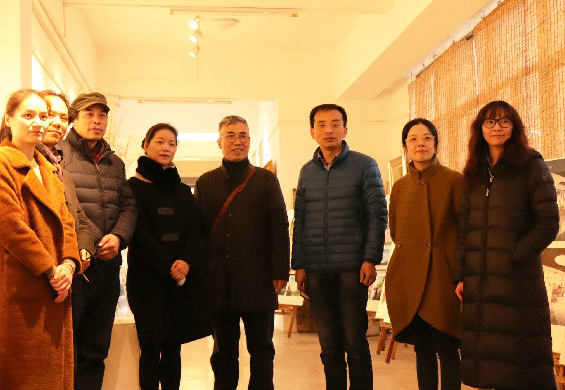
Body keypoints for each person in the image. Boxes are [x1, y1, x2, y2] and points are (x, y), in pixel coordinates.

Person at [0, 89, 80, 390]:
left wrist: (69, 265)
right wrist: (51, 270)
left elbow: (67, 222)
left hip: (55, 289)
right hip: (21, 290)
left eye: (43, 116)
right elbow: (11, 228)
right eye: (28, 115)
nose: (38, 122)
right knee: (21, 378)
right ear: (9, 119)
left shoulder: (48, 170)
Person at [454, 100, 559, 390]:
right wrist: (460, 274)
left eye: (504, 121)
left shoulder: (531, 165)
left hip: (517, 280)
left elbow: (548, 222)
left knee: (520, 363)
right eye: (489, 122)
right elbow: (465, 230)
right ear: (480, 129)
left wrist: (515, 256)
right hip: (479, 281)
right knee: (489, 364)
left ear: (514, 127)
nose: (496, 127)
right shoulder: (474, 171)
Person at [292, 103, 387, 390]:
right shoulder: (306, 171)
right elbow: (301, 220)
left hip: (352, 269)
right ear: (312, 132)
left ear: (345, 129)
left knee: (355, 343)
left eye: (335, 124)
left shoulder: (365, 165)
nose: (329, 130)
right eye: (321, 124)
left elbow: (377, 214)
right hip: (317, 270)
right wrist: (299, 264)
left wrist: (370, 258)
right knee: (328, 345)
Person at [195, 115, 289, 390]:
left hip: (258, 279)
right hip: (218, 281)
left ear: (249, 141)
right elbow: (198, 232)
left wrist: (280, 271)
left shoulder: (266, 180)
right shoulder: (205, 182)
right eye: (231, 136)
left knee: (262, 348)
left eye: (243, 135)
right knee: (223, 351)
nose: (238, 141)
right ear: (219, 142)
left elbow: (279, 227)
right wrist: (200, 275)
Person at [56, 92, 137, 390]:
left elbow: (128, 205)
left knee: (96, 347)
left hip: (107, 266)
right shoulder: (58, 155)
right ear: (74, 118)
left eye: (102, 115)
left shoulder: (115, 163)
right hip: (74, 265)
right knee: (68, 347)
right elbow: (67, 208)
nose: (96, 121)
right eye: (89, 114)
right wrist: (89, 242)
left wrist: (118, 236)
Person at [127, 123, 211, 390]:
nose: (166, 148)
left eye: (172, 143)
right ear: (145, 145)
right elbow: (139, 233)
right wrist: (168, 265)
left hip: (179, 281)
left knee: (174, 347)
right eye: (160, 142)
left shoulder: (183, 190)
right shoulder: (132, 187)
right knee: (151, 348)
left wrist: (186, 261)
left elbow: (194, 230)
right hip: (147, 280)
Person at [385, 118, 463, 390]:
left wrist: (461, 274)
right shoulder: (400, 187)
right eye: (414, 139)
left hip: (444, 278)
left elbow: (466, 232)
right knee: (423, 350)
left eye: (427, 138)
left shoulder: (454, 181)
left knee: (448, 347)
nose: (421, 143)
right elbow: (397, 232)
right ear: (405, 146)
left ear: (436, 144)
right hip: (410, 279)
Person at [39, 90, 96, 271]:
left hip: (67, 268)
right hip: (43, 268)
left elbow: (79, 217)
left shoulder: (61, 170)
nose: (57, 123)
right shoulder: (27, 165)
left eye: (64, 118)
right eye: (50, 115)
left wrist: (84, 247)